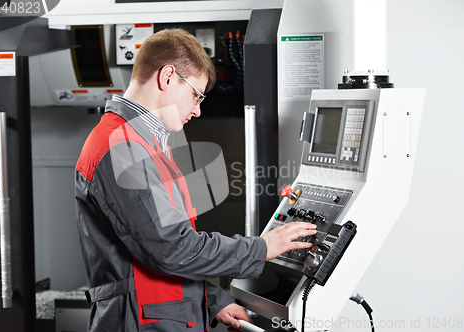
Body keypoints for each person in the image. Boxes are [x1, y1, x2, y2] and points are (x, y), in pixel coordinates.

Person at [75, 28, 317, 332]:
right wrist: (260, 248)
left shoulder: (144, 143)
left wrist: (215, 300)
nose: (197, 110)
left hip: (162, 316)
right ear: (167, 77)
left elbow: (164, 252)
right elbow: (171, 249)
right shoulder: (122, 146)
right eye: (195, 95)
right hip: (139, 322)